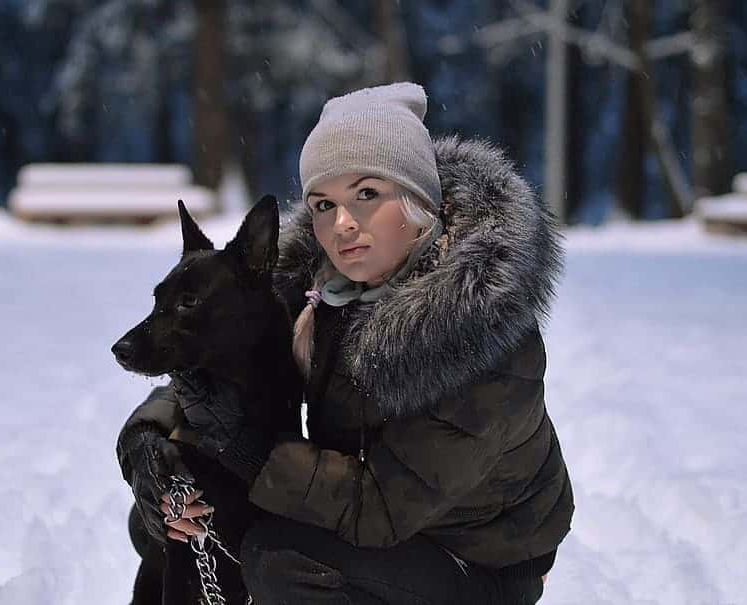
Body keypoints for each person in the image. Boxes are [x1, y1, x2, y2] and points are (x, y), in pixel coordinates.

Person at [117, 82, 574, 605]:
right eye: (323, 204)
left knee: (280, 560)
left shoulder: (479, 330)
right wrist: (149, 443)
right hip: (378, 526)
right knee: (171, 518)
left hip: (476, 557)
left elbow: (377, 505)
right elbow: (225, 355)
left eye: (367, 194)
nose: (343, 224)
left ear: (418, 199)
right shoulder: (324, 283)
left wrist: (248, 448)